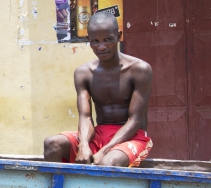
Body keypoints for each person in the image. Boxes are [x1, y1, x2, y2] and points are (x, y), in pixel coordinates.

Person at [44, 11, 153, 167]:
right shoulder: (84, 73)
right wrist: (83, 145)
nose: (101, 47)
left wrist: (105, 150)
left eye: (107, 40)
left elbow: (135, 120)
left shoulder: (140, 70)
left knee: (108, 162)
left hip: (132, 137)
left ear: (118, 36)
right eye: (95, 41)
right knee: (52, 144)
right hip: (98, 134)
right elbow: (85, 117)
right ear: (88, 40)